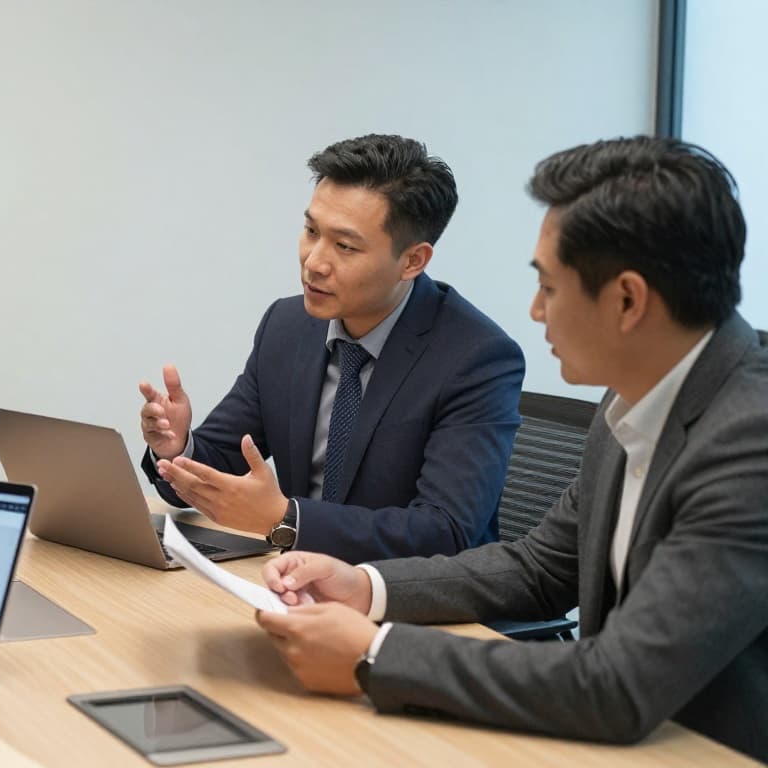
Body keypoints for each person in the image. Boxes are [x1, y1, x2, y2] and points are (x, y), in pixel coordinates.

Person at [253, 136, 768, 762]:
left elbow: (618, 684)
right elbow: (541, 568)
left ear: (628, 300)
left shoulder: (750, 442)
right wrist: (364, 586)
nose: (534, 310)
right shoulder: (631, 399)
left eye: (549, 288)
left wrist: (374, 654)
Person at [139, 134, 524, 562]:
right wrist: (177, 449)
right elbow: (224, 461)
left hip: (407, 604)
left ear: (413, 261)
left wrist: (286, 519)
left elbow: (445, 531)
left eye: (344, 246)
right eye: (311, 231)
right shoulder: (287, 326)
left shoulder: (476, 358)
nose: (314, 262)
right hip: (295, 584)